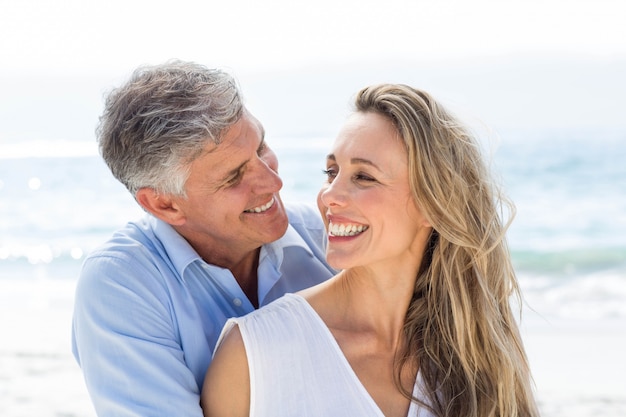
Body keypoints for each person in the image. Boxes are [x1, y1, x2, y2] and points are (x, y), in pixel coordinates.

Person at [201, 84, 539, 417]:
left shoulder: (481, 350)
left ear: (433, 205)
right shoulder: (253, 356)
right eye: (331, 172)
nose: (330, 195)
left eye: (363, 176)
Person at [71, 60, 335, 416]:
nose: (273, 182)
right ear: (164, 204)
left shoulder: (331, 239)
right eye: (234, 177)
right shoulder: (121, 286)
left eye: (261, 148)